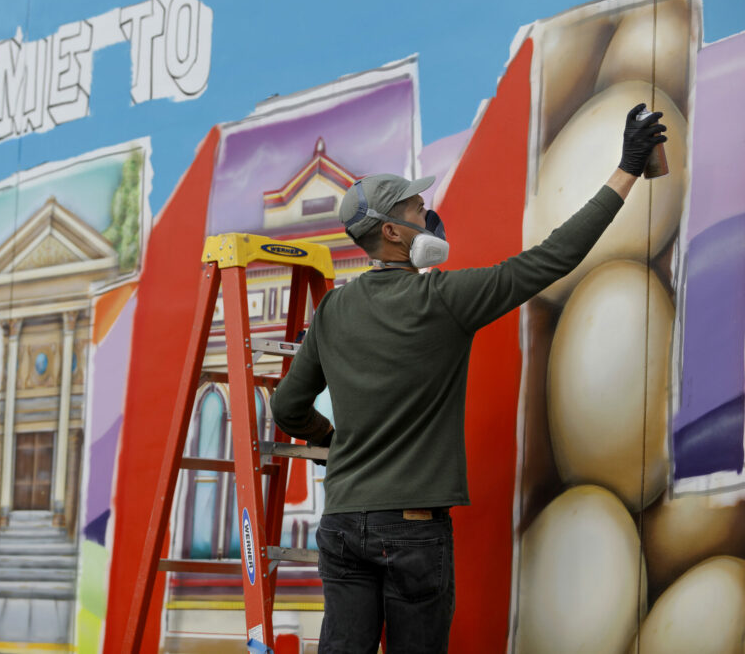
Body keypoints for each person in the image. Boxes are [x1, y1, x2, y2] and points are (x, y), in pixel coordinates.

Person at [268, 104, 667, 653]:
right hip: (410, 531)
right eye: (417, 208)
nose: (427, 216)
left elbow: (287, 407)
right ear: (392, 231)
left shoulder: (334, 310)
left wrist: (334, 443)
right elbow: (552, 258)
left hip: (342, 524)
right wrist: (626, 170)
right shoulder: (445, 301)